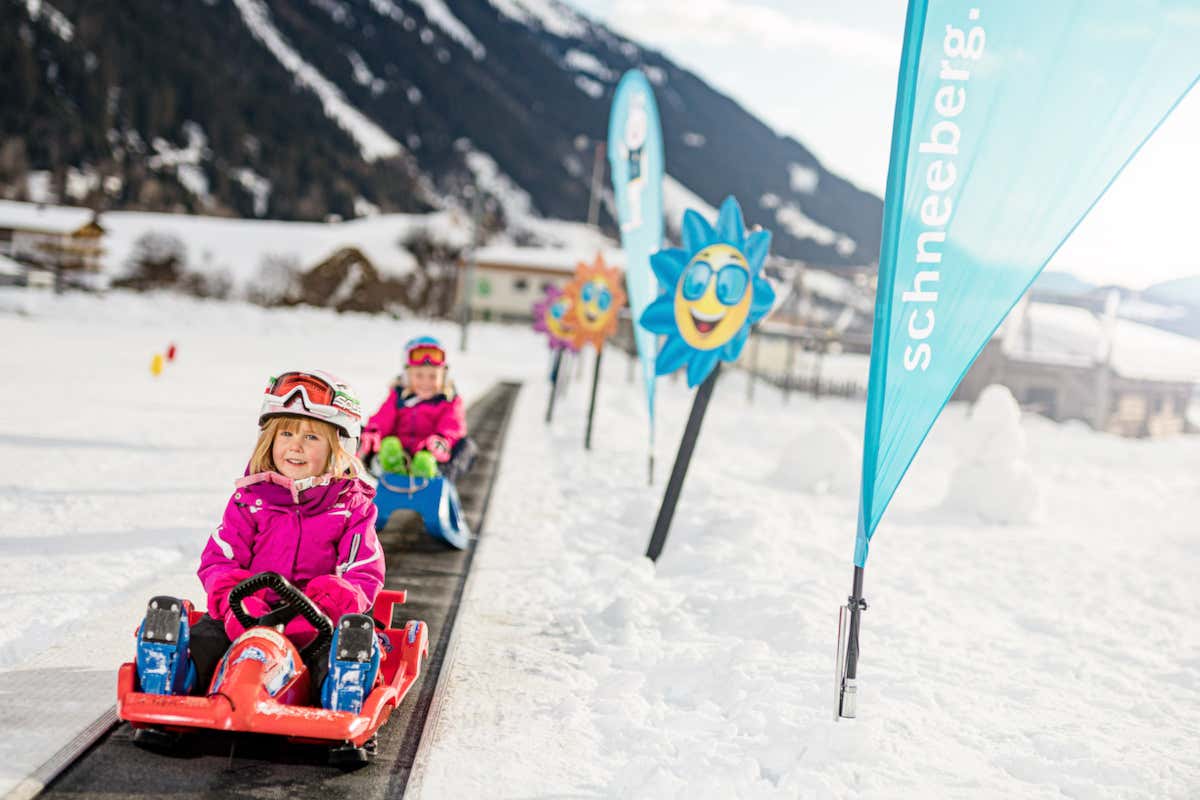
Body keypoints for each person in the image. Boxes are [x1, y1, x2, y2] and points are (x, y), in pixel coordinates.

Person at [133, 369, 384, 710]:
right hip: (245, 614)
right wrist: (235, 601)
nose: (295, 445)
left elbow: (363, 571)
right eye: (286, 433)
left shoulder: (351, 508)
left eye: (312, 437)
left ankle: (342, 685)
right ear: (270, 440)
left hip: (317, 622)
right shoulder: (249, 500)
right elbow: (219, 560)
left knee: (331, 653)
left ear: (339, 448)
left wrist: (326, 605)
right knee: (208, 640)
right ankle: (174, 674)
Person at [359, 336, 475, 481]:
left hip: (430, 454)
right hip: (401, 453)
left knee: (466, 446)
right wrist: (374, 432)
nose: (426, 382)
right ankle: (390, 467)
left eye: (433, 376)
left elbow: (452, 425)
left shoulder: (449, 400)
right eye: (419, 376)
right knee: (386, 443)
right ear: (407, 376)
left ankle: (429, 474)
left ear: (443, 377)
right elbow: (383, 418)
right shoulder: (398, 397)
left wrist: (441, 440)